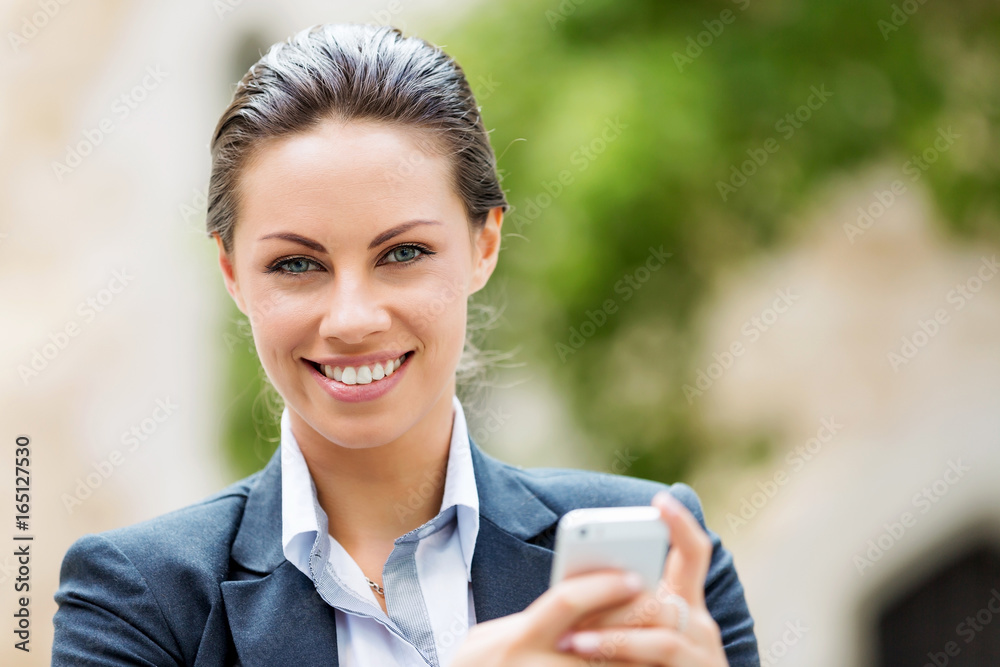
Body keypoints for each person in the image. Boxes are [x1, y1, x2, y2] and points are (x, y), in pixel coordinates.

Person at [52, 23, 759, 666]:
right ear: (233, 272)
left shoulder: (656, 559)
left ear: (485, 243)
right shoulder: (138, 598)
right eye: (296, 264)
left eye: (403, 252)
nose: (352, 318)